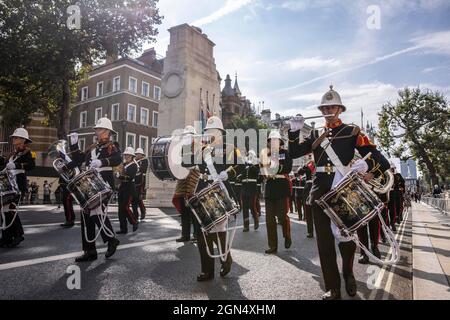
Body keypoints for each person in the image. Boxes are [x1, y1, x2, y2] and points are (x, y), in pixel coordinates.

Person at [288, 85, 391, 300]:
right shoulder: (316, 133)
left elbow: (379, 158)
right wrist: (294, 131)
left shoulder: (352, 132)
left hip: (342, 187)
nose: (327, 110)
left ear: (340, 109)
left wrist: (366, 165)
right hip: (319, 189)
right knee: (324, 241)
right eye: (324, 107)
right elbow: (295, 152)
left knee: (346, 236)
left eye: (332, 106)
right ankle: (333, 287)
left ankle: (348, 273)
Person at [182, 116, 244, 281]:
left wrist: (229, 173)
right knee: (202, 232)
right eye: (207, 131)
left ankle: (225, 258)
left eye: (212, 131)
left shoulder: (229, 148)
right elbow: (184, 163)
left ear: (220, 132)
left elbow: (242, 164)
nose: (209, 133)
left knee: (219, 230)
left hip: (220, 190)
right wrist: (187, 143)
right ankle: (207, 270)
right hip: (202, 190)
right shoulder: (201, 150)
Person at [66, 118, 121, 262]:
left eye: (99, 129)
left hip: (104, 182)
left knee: (97, 211)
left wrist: (102, 162)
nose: (96, 131)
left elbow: (117, 159)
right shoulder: (92, 147)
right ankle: (90, 250)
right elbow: (79, 159)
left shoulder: (112, 145)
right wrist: (74, 145)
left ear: (107, 131)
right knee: (86, 214)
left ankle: (111, 239)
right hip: (90, 183)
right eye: (96, 129)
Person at [0, 128, 36, 248]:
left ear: (22, 140)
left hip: (18, 184)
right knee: (4, 211)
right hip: (8, 184)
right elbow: (4, 165)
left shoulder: (28, 152)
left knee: (11, 209)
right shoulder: (13, 153)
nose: (13, 139)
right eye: (14, 138)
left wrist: (16, 164)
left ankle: (18, 235)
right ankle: (6, 237)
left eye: (16, 137)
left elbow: (31, 166)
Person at [261, 130, 293, 254]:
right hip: (270, 188)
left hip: (281, 187)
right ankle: (273, 245)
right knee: (269, 219)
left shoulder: (285, 153)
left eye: (275, 140)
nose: (273, 142)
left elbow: (288, 167)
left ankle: (287, 235)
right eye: (271, 140)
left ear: (280, 142)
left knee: (282, 216)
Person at [173, 126, 201, 243]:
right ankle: (185, 235)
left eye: (189, 136)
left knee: (194, 208)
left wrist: (194, 166)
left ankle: (196, 233)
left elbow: (201, 163)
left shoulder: (199, 147)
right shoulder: (182, 149)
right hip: (183, 177)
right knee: (184, 209)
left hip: (194, 177)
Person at [116, 147, 139, 234]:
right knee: (120, 210)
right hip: (122, 187)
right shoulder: (124, 164)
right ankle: (123, 229)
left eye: (128, 155)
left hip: (129, 188)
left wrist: (120, 176)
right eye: (125, 155)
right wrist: (117, 172)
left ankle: (134, 222)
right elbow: (119, 173)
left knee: (125, 207)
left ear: (132, 156)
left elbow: (130, 178)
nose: (126, 156)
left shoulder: (134, 165)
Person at [241, 149, 261, 232]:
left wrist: (252, 165)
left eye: (251, 155)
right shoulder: (245, 165)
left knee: (252, 205)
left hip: (252, 187)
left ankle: (256, 221)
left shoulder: (256, 165)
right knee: (245, 207)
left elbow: (257, 174)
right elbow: (242, 174)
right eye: (249, 155)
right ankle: (246, 226)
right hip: (245, 187)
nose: (249, 156)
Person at [298, 161, 315, 238]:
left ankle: (314, 231)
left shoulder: (320, 162)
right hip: (310, 187)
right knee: (308, 211)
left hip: (317, 186)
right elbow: (299, 172)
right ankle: (310, 231)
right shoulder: (309, 166)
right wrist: (305, 165)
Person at [132, 148, 148, 221]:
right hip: (134, 181)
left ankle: (143, 211)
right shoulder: (134, 161)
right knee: (134, 199)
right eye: (136, 154)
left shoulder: (144, 161)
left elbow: (143, 170)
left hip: (141, 181)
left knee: (139, 198)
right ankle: (136, 214)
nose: (137, 155)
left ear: (142, 155)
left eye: (138, 154)